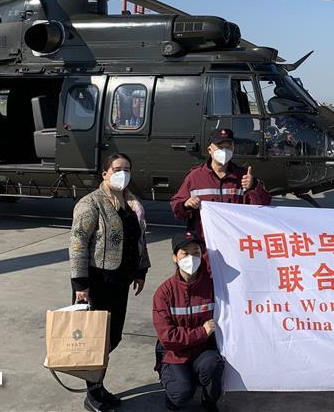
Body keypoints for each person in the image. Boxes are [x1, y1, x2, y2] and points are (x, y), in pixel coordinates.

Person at [70, 153, 151, 412]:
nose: (122, 173)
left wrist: (140, 271)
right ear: (104, 173)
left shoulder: (132, 204)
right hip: (97, 281)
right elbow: (78, 245)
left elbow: (139, 240)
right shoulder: (90, 204)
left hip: (121, 280)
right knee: (95, 339)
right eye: (117, 169)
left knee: (112, 337)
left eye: (127, 169)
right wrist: (80, 285)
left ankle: (99, 385)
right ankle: (92, 393)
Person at [153, 232, 224, 411]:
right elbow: (167, 337)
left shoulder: (213, 286)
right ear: (175, 258)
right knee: (181, 394)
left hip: (203, 351)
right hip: (175, 353)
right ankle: (174, 391)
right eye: (185, 253)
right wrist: (201, 332)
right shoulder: (164, 292)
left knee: (213, 365)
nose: (191, 258)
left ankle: (208, 400)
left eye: (196, 252)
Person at [171, 128, 272, 241]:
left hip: (234, 242)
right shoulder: (195, 177)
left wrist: (253, 187)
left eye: (228, 147)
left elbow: (264, 206)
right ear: (210, 149)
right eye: (220, 147)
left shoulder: (244, 177)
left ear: (233, 149)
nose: (224, 151)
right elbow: (177, 209)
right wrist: (185, 204)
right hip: (205, 244)